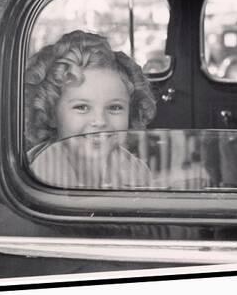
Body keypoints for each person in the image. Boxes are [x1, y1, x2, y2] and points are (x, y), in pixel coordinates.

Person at [24, 30, 157, 189]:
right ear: (51, 113)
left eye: (115, 107)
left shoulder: (135, 169)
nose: (100, 121)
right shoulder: (41, 174)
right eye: (82, 107)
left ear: (131, 111)